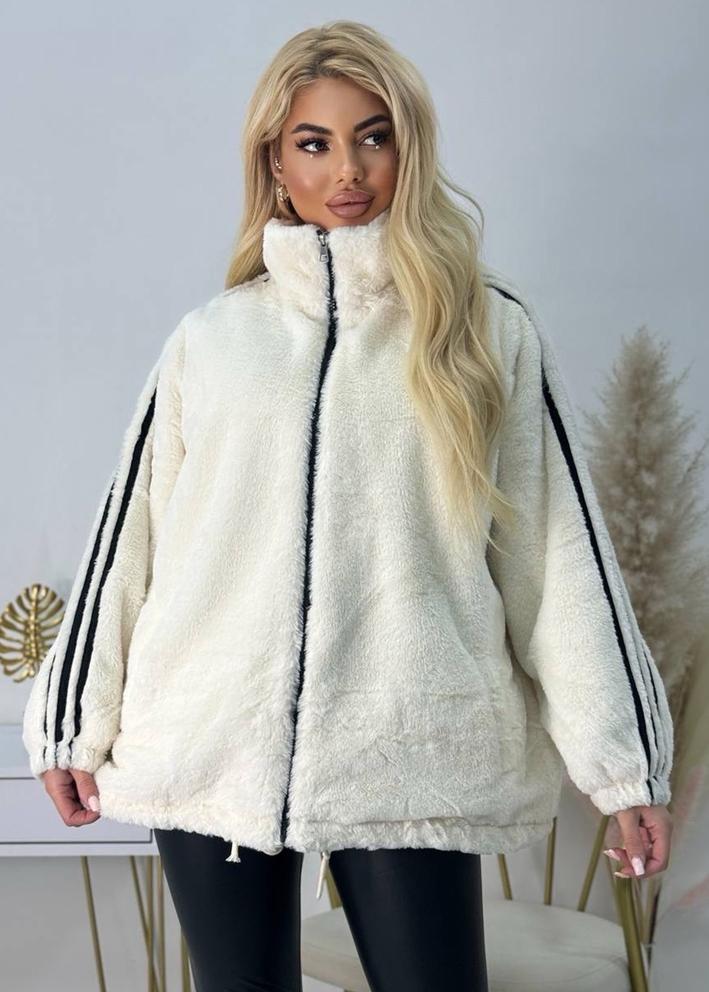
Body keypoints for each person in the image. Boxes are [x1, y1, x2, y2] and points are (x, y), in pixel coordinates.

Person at [22, 20, 673, 992]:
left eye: (373, 136)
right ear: (274, 162)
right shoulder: (210, 341)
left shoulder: (482, 331)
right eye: (314, 142)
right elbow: (129, 542)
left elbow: (559, 557)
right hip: (211, 736)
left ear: (409, 148)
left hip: (408, 741)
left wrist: (625, 771)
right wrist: (71, 724)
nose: (348, 169)